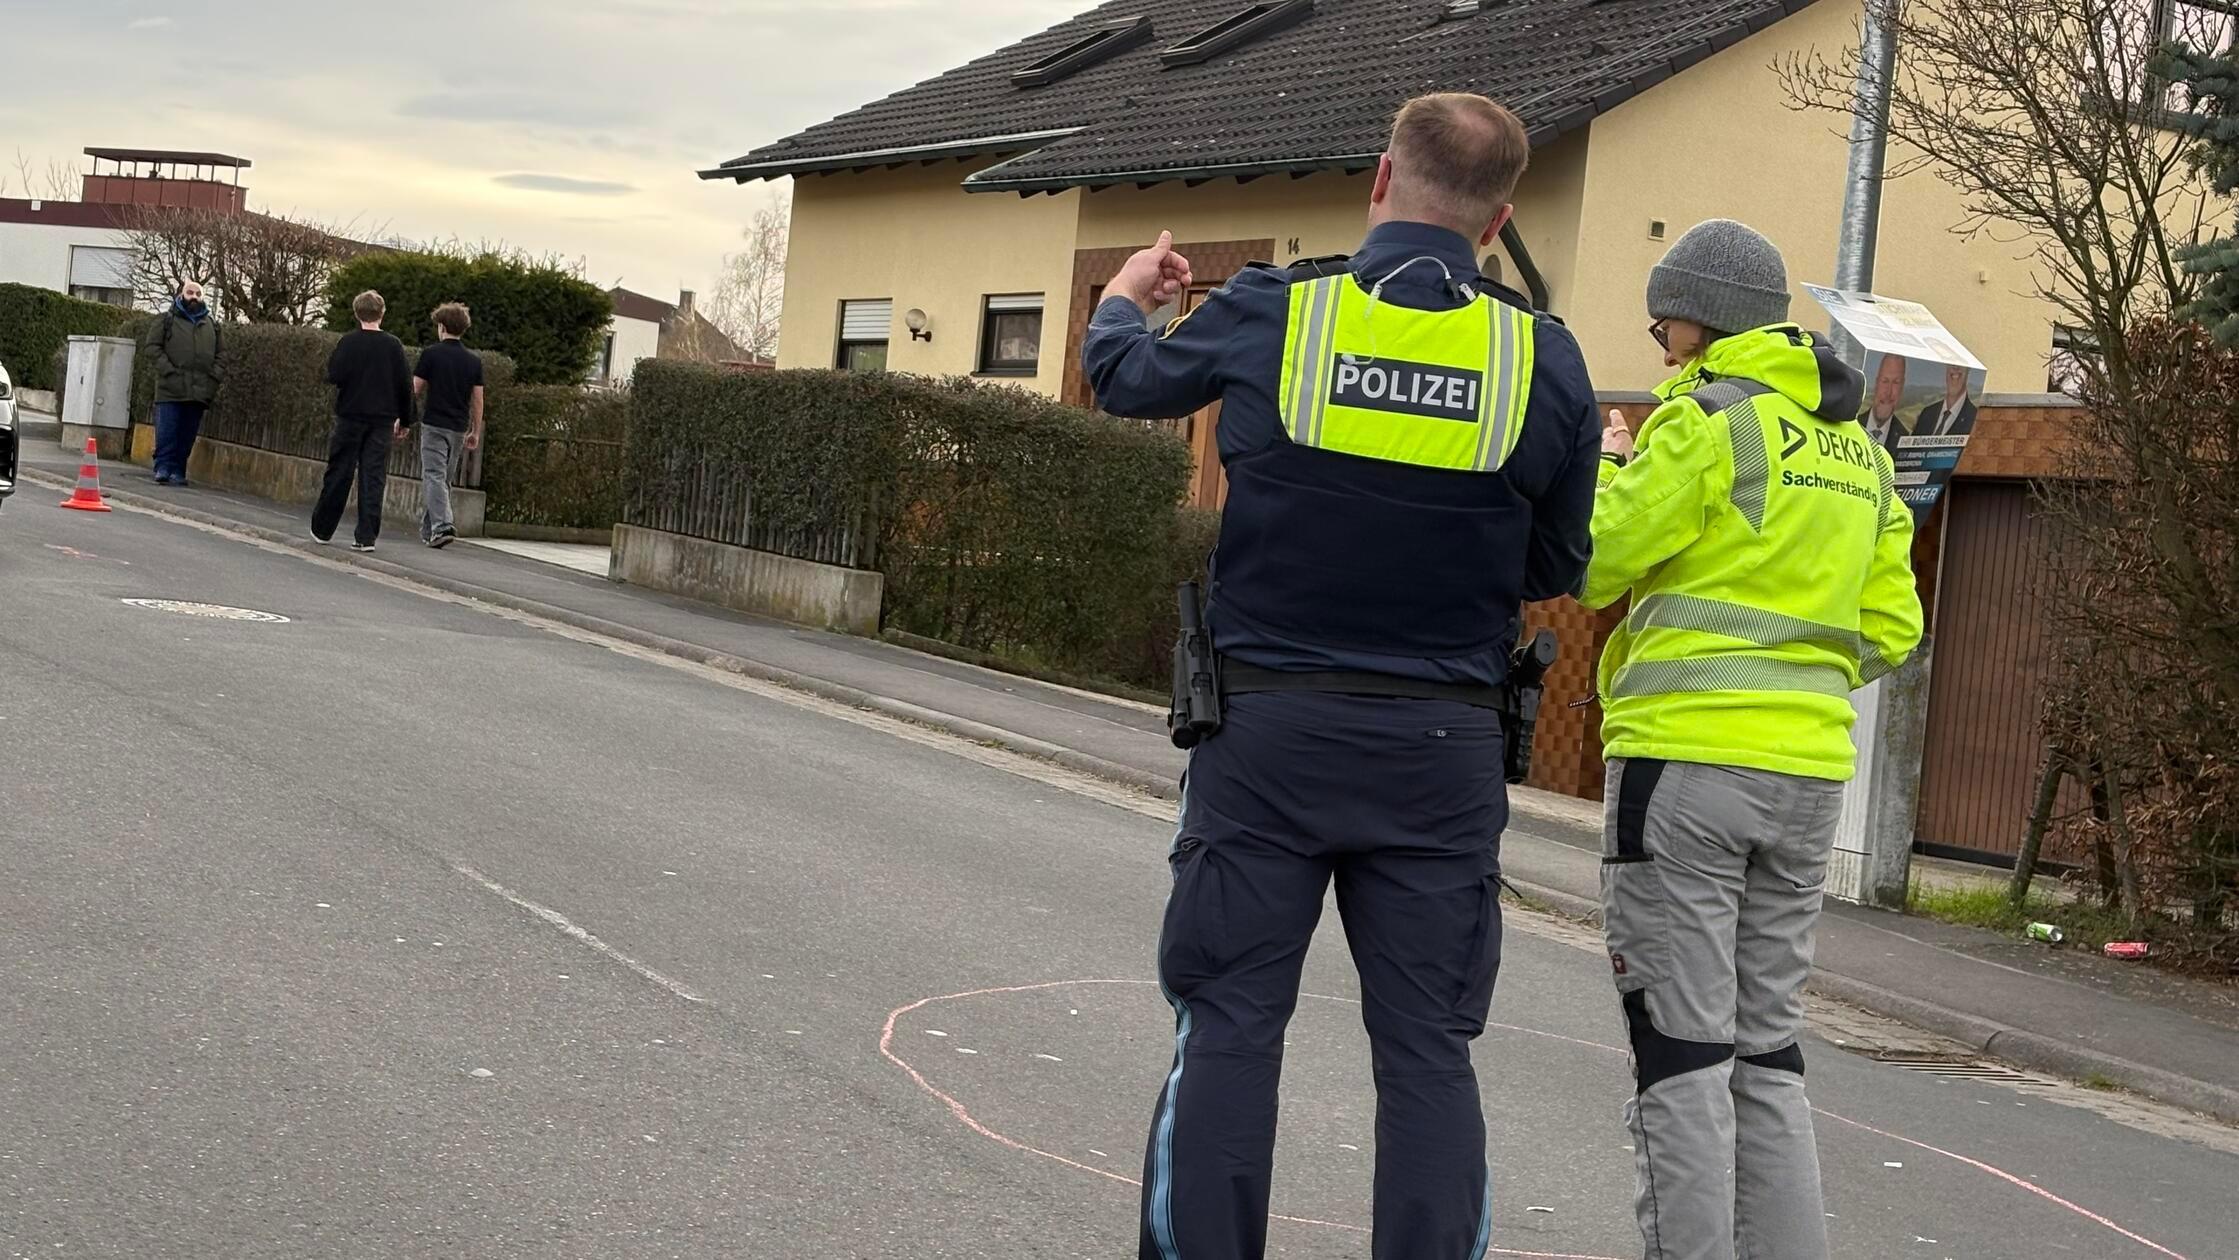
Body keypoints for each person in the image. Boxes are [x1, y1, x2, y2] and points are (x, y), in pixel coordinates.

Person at [1082, 92, 1600, 1260]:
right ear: (1498, 217)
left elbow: (1120, 379)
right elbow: (1561, 560)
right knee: (1427, 1052)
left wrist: (1126, 296)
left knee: (1228, 1027)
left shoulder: (1280, 311)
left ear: (1379, 179)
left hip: (1264, 737)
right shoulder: (1541, 357)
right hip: (1443, 753)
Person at [1582, 219, 1925, 1260]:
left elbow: (1593, 561)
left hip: (1684, 769)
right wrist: (1795, 678)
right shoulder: (1858, 454)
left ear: (1699, 318)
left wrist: (1607, 466)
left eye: (1662, 318)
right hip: (1807, 776)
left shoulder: (1703, 426)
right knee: (1765, 1056)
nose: (1657, 337)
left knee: (1681, 1058)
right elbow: (1890, 627)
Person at [312, 290, 413, 552]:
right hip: (382, 419)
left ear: (357, 313)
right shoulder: (393, 345)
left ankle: (323, 528)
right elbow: (404, 384)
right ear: (382, 313)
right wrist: (406, 419)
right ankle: (366, 536)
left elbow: (334, 374)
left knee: (340, 471)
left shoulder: (348, 342)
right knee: (373, 475)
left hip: (351, 414)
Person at [405, 302, 486, 548]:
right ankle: (431, 530)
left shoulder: (431, 354)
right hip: (458, 427)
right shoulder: (474, 361)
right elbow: (478, 399)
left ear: (442, 327)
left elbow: (415, 389)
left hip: (434, 424)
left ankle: (442, 526)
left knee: (433, 475)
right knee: (443, 479)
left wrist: (403, 415)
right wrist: (475, 430)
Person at [145, 280, 222, 486]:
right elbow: (153, 348)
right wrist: (168, 372)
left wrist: (212, 379)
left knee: (187, 435)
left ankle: (178, 470)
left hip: (198, 391)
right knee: (167, 431)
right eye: (190, 292)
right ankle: (163, 467)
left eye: (198, 293)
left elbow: (221, 356)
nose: (194, 297)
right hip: (170, 389)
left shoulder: (212, 326)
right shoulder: (166, 320)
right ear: (181, 295)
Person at [1860, 351, 1910, 450]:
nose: (1888, 392)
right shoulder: (1855, 423)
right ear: (1876, 383)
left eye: (1896, 382)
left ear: (1902, 387)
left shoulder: (1905, 438)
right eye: (1885, 381)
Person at [1914, 362, 1978, 437]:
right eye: (1951, 361)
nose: (1955, 367)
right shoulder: (1927, 414)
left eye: (1961, 363)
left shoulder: (1975, 418)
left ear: (1968, 368)